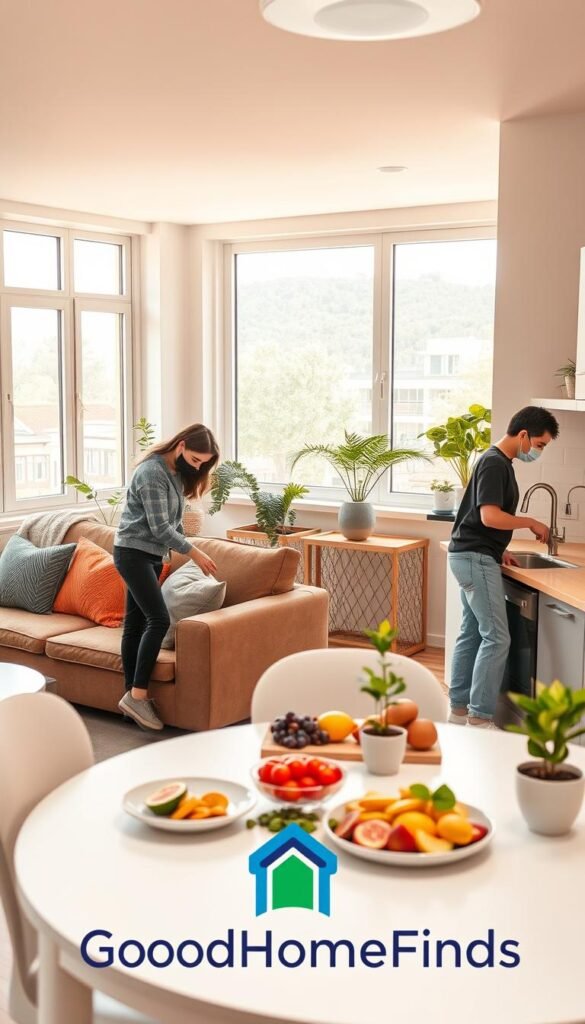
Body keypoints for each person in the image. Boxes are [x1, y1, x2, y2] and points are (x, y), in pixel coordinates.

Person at [447, 406, 560, 729]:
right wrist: (530, 522)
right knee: (497, 638)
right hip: (475, 558)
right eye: (539, 445)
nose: (538, 451)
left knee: (472, 634)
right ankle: (480, 718)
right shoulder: (496, 463)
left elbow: (480, 520)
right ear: (523, 435)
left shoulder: (498, 462)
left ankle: (457, 711)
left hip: (471, 555)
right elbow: (489, 517)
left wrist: (502, 548)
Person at [113, 423, 220, 731]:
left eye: (202, 464)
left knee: (134, 625)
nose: (197, 467)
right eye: (197, 460)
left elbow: (173, 523)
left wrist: (173, 551)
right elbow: (160, 527)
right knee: (157, 619)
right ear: (182, 445)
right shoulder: (151, 472)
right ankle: (138, 695)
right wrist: (195, 553)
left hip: (150, 556)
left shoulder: (173, 473)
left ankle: (128, 700)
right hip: (132, 553)